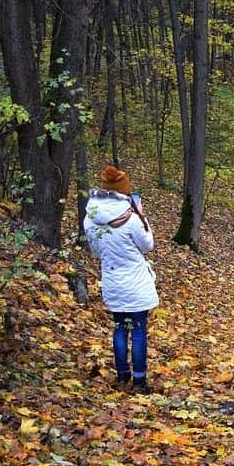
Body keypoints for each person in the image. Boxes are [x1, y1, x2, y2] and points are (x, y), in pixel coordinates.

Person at [84, 165, 158, 394]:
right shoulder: (132, 219)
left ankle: (122, 376)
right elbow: (148, 246)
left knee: (119, 328)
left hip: (112, 282)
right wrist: (143, 218)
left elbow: (96, 251)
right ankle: (139, 381)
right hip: (135, 283)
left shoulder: (91, 219)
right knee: (137, 330)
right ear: (124, 193)